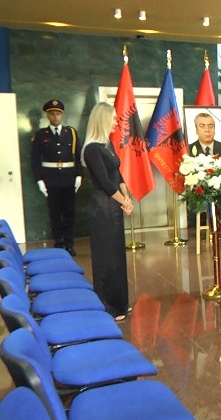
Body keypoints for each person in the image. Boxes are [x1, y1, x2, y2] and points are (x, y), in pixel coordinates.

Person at [81, 102, 134, 322]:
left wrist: (126, 198)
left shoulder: (107, 144)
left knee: (117, 257)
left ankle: (120, 302)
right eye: (113, 118)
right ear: (102, 119)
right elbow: (104, 182)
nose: (116, 123)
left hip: (114, 207)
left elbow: (117, 175)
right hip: (102, 209)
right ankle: (108, 306)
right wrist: (124, 202)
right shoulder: (92, 149)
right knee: (106, 258)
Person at [30, 99, 83, 256]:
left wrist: (79, 175)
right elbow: (34, 159)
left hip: (68, 178)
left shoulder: (71, 133)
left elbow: (78, 156)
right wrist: (39, 180)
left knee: (69, 213)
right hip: (51, 179)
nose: (55, 117)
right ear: (47, 116)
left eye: (58, 114)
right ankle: (59, 243)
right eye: (52, 114)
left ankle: (69, 244)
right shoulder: (41, 135)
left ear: (62, 115)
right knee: (55, 214)